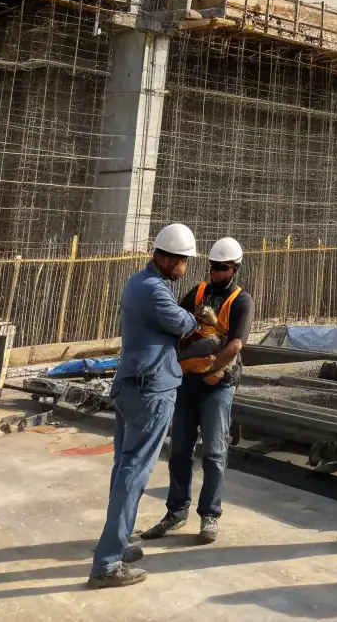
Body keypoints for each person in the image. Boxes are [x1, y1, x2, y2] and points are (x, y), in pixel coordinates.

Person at [87, 224, 202, 589]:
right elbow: (183, 323)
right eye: (184, 260)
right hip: (151, 388)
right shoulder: (155, 291)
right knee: (133, 472)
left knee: (124, 467)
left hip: (131, 384)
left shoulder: (141, 282)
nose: (187, 267)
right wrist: (197, 319)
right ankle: (107, 564)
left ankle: (116, 545)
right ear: (169, 258)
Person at [138, 236, 253, 546]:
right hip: (187, 382)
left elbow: (236, 344)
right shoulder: (198, 292)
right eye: (213, 266)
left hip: (217, 387)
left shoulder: (241, 300)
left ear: (235, 269)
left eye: (222, 268)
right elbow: (176, 326)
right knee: (179, 450)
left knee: (215, 452)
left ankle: (210, 514)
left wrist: (217, 369)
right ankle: (176, 512)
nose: (215, 272)